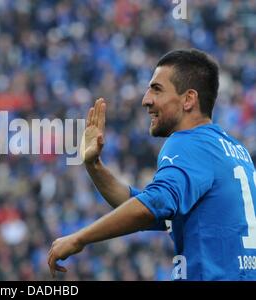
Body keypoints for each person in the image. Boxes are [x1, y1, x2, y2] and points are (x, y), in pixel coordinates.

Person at [47, 49, 256, 280]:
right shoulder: (235, 151)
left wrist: (79, 238)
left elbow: (153, 205)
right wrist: (94, 165)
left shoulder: (188, 142)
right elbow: (143, 207)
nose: (146, 100)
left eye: (157, 89)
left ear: (188, 99)